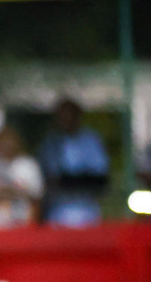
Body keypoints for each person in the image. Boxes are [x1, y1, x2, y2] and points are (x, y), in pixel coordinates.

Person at [38, 97, 109, 227]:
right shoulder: (51, 142)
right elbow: (47, 178)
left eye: (70, 114)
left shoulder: (91, 140)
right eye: (62, 115)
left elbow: (100, 178)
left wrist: (70, 180)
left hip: (86, 209)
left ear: (78, 116)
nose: (66, 119)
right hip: (57, 211)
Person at [0, 125, 42, 230]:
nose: (6, 144)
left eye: (9, 140)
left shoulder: (28, 164)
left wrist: (32, 226)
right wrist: (14, 191)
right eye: (2, 140)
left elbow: (36, 198)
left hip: (21, 223)